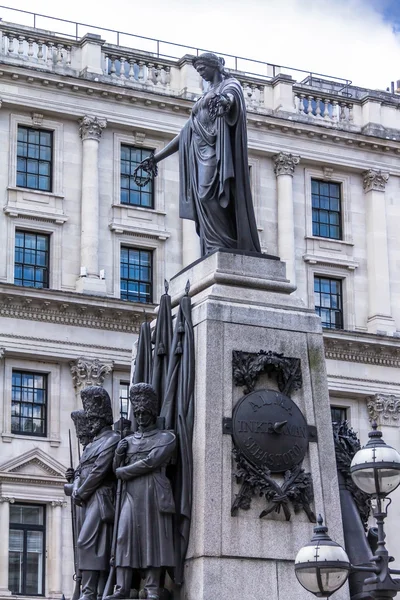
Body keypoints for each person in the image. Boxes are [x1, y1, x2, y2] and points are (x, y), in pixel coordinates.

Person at [136, 52, 261, 257]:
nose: (201, 73)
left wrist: (225, 102)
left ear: (214, 66)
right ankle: (213, 248)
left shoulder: (229, 85)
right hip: (198, 150)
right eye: (198, 70)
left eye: (203, 68)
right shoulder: (205, 94)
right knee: (202, 200)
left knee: (208, 196)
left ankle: (225, 244)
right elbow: (186, 132)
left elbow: (231, 99)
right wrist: (155, 158)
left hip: (216, 151)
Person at [105, 383, 176, 600]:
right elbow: (113, 469)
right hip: (129, 495)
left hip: (153, 492)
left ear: (153, 413)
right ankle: (122, 588)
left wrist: (123, 470)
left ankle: (153, 587)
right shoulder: (127, 441)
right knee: (124, 537)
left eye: (146, 412)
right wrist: (118, 454)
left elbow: (151, 462)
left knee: (152, 538)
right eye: (138, 413)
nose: (142, 417)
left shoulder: (166, 437)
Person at [72, 387, 120, 600]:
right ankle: (91, 590)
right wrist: (75, 487)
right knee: (91, 544)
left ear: (103, 418)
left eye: (93, 418)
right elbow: (81, 471)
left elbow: (99, 471)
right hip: (87, 498)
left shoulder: (112, 439)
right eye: (89, 418)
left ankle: (90, 591)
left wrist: (81, 491)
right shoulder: (91, 445)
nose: (90, 422)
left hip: (100, 497)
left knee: (88, 542)